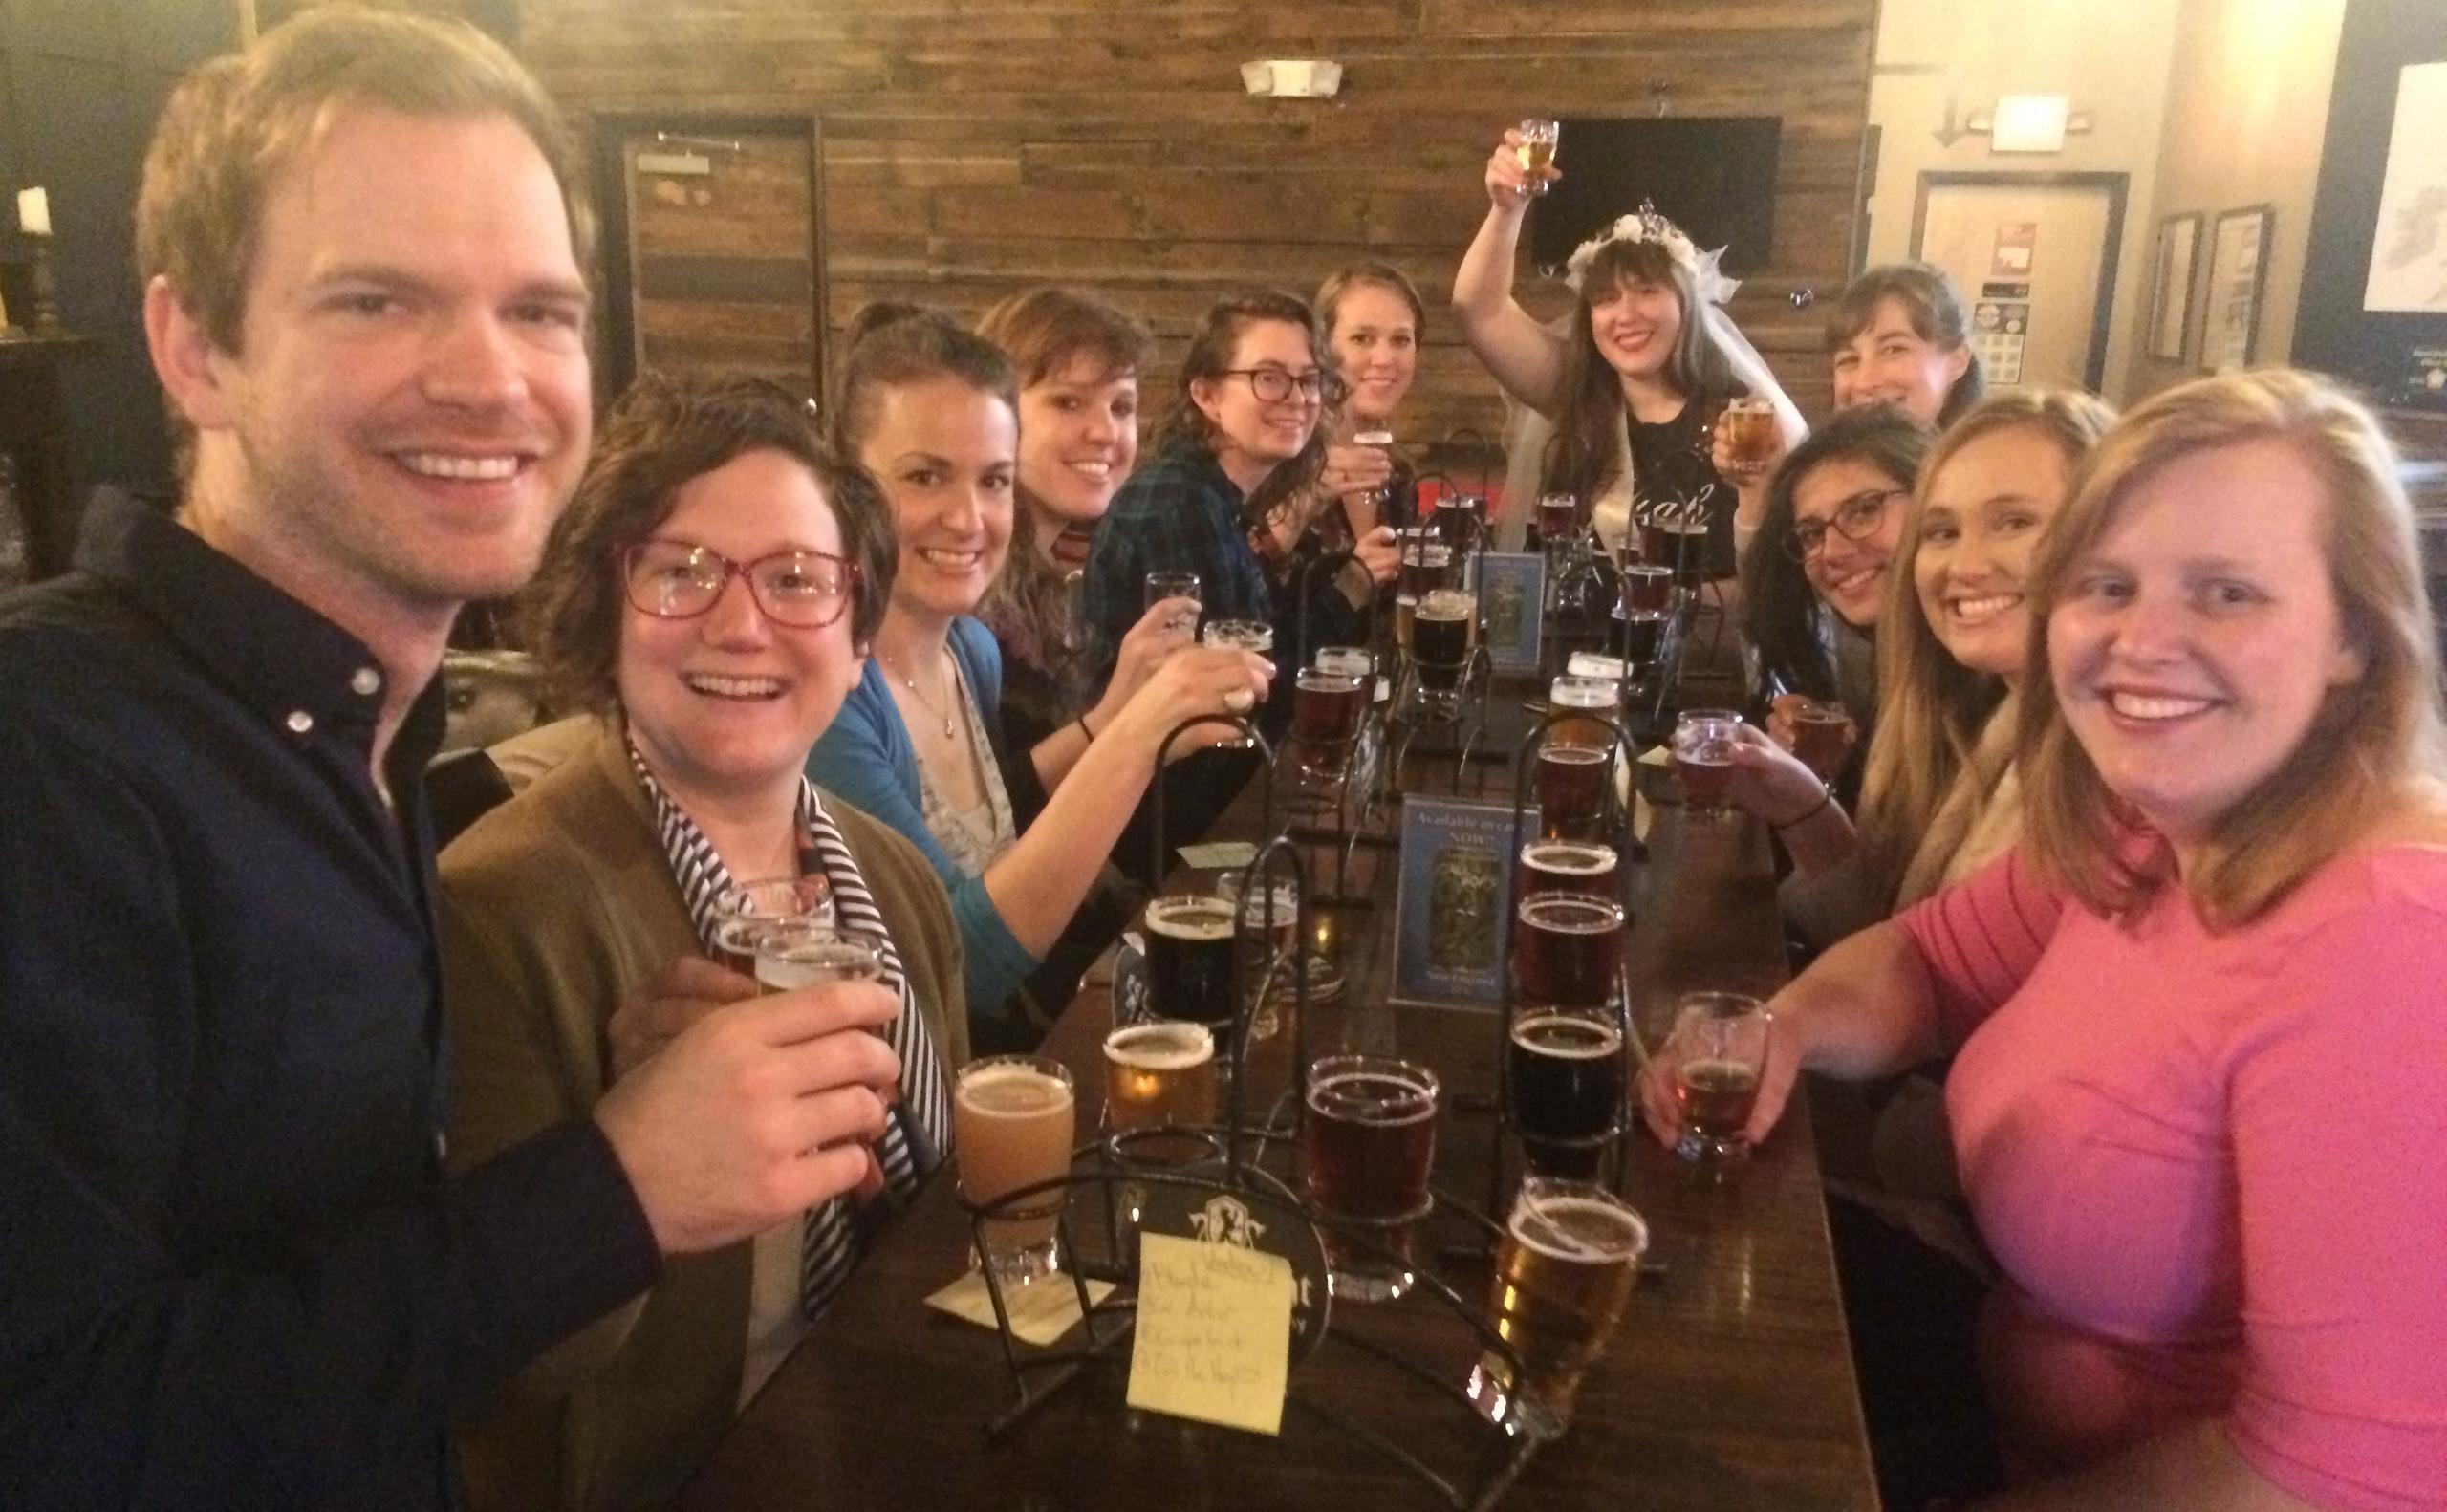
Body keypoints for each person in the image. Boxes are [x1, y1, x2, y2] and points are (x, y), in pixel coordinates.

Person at [0, 10, 895, 1508]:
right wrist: (611, 1191)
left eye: (540, 311)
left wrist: (620, 1111)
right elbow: (52, 1429)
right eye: (377, 300)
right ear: (192, 346)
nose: (491, 379)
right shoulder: (52, 753)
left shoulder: (356, 732)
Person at [1646, 369, 2447, 1505]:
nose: (2142, 640)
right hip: (1990, 1396)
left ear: (2356, 635)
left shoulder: (2395, 944)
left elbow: (2333, 1479)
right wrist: (1779, 1028)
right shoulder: (2152, 819)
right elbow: (1925, 961)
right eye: (2105, 583)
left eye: (2225, 593)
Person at [436, 375, 964, 1510]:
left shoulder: (897, 881)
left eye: (796, 581)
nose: (740, 622)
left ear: (859, 629)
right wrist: (621, 1170)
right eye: (678, 571)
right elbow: (493, 1383)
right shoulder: (493, 906)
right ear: (600, 606)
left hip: (905, 1426)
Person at [813, 313, 1268, 1048]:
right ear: (845, 486)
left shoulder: (968, 649)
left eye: (993, 480)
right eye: (925, 476)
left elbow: (993, 831)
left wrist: (1118, 721)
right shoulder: (833, 704)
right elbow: (960, 967)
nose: (968, 518)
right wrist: (1137, 734)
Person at [1737, 392, 2114, 948]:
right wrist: (1804, 802)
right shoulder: (1943, 697)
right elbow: (1904, 943)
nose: (1965, 563)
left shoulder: (2115, 767)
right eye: (1944, 532)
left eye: (2013, 522)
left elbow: (1926, 968)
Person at [1454, 126, 1803, 575]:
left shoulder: (1741, 417)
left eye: (1647, 291)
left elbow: (1775, 579)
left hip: (1702, 642)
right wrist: (1507, 210)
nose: (1626, 314)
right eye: (1605, 299)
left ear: (1686, 305)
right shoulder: (1575, 390)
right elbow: (1478, 311)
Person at [1078, 290, 1399, 690]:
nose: (1297, 398)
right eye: (1269, 378)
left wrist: (1350, 580)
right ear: (1207, 396)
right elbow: (1242, 697)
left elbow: (1261, 642)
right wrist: (1348, 591)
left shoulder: (1214, 495)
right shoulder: (1180, 504)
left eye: (1309, 379)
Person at [972, 286, 1155, 754]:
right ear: (993, 412)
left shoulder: (1054, 575)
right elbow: (1004, 809)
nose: (1105, 433)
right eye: (1068, 402)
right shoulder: (972, 587)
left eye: (1122, 407)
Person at [1736, 405, 1932, 772]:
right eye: (1811, 534)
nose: (1833, 553)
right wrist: (1818, 776)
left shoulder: (1992, 677)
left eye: (1863, 510)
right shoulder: (1870, 664)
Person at [1715, 263, 1987, 518]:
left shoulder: (1987, 478)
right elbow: (1774, 569)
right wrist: (1759, 489)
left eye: (1893, 349)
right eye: (1849, 360)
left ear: (1957, 361)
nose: (1864, 382)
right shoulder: (1823, 477)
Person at [1307, 260, 1425, 547]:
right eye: (1362, 338)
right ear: (1322, 348)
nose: (1385, 359)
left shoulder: (1398, 476)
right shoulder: (1285, 469)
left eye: (1400, 340)